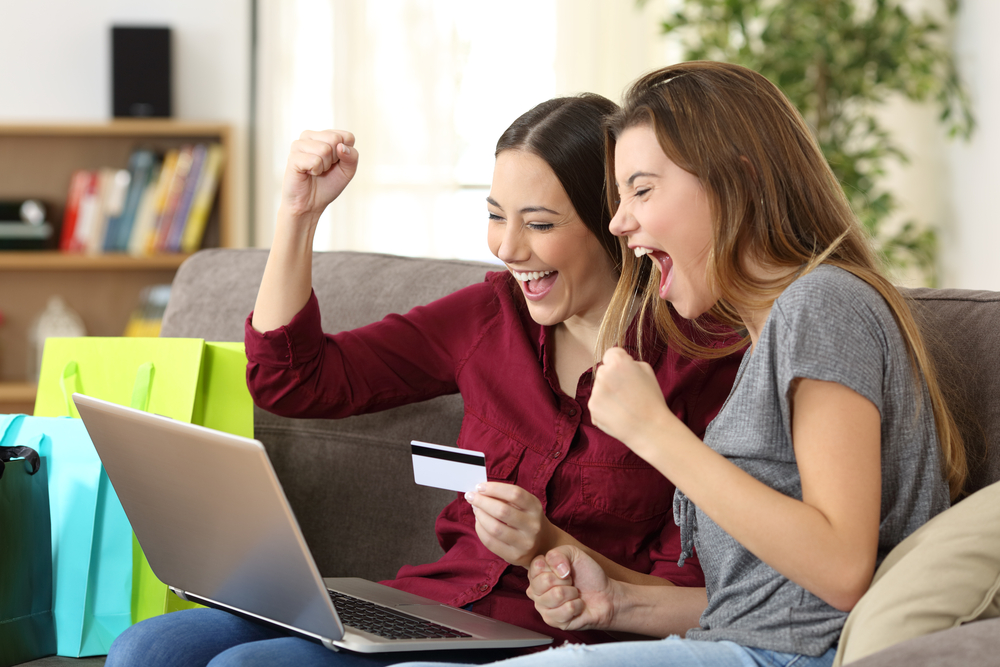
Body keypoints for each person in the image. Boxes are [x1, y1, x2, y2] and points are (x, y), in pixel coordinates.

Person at [105, 94, 742, 667]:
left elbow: (686, 598)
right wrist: (297, 214)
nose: (507, 248)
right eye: (497, 216)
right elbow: (295, 382)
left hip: (544, 641)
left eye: (540, 223)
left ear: (616, 223)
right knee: (148, 647)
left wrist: (549, 543)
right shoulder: (491, 317)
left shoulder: (700, 364)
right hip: (427, 607)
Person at [396, 61, 969, 667]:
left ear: (735, 185)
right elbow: (768, 601)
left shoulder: (823, 303)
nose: (619, 221)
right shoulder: (772, 335)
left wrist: (654, 432)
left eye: (641, 190)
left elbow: (841, 572)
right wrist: (616, 603)